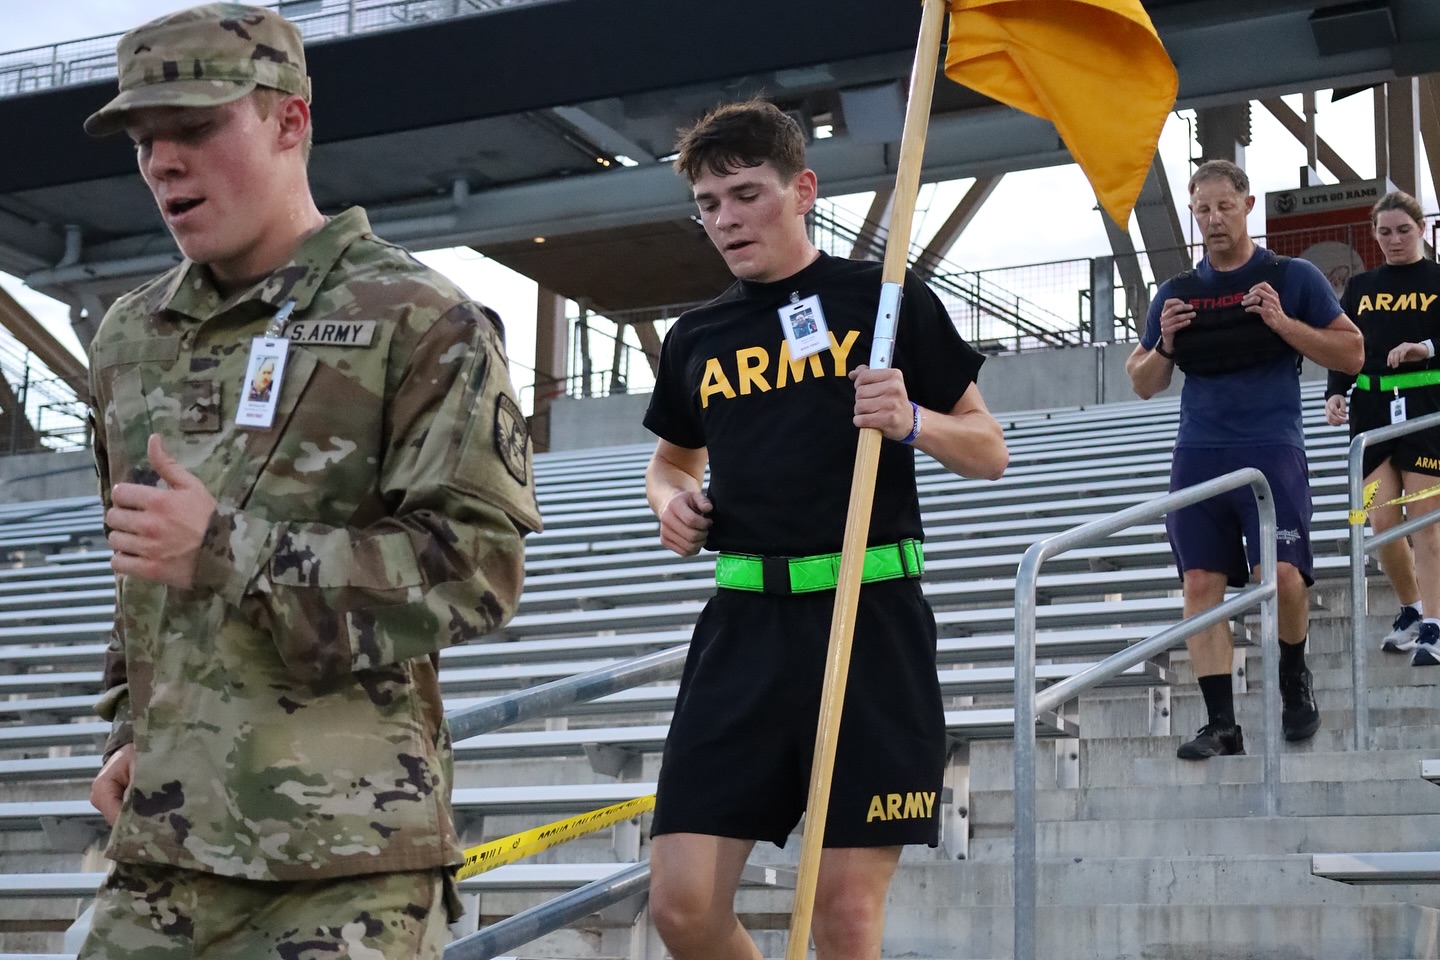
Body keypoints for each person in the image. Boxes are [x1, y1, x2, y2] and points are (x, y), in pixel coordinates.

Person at [78, 4, 541, 957]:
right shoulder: (130, 338)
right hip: (164, 848)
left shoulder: (420, 319)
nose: (163, 162)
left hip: (343, 857)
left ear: (291, 122)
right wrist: (127, 731)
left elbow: (476, 569)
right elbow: (138, 575)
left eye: (197, 128)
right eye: (144, 138)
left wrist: (227, 550)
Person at [642, 99, 1008, 960]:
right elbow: (670, 463)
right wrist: (672, 503)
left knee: (843, 918)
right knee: (683, 908)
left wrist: (913, 418)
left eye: (744, 193)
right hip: (743, 633)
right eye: (707, 204)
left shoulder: (881, 302)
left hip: (868, 616)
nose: (725, 220)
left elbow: (989, 450)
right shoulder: (696, 336)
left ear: (802, 189)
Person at [1126, 159, 1363, 760]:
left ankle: (1293, 681)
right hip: (1199, 452)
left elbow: (1353, 352)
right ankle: (1221, 722)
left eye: (1223, 207)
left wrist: (1283, 323)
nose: (1213, 220)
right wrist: (1166, 343)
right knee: (1200, 583)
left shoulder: (1293, 275)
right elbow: (1143, 381)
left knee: (1280, 575)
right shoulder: (1177, 292)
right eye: (1202, 210)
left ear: (1248, 205)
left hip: (1270, 447)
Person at [1325, 190, 1440, 667]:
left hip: (1426, 407)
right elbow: (1345, 343)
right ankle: (1411, 609)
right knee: (1379, 521)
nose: (1393, 240)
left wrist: (1425, 348)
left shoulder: (1437, 278)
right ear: (1374, 234)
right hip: (1371, 414)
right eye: (1384, 231)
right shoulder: (1361, 286)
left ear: (1422, 230)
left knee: (1425, 518)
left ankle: (1435, 623)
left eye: (1403, 230)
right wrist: (1336, 389)